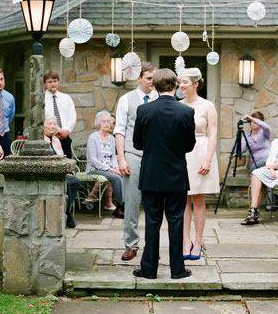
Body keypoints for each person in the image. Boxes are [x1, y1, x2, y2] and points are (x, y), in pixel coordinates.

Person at [132, 68, 196, 280]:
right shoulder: (186, 112)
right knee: (176, 221)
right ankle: (177, 269)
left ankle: (149, 269)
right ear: (176, 85)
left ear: (154, 86)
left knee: (152, 221)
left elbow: (137, 143)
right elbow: (189, 145)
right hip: (176, 174)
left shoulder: (144, 110)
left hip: (151, 174)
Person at [114, 62, 158, 262]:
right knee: (132, 202)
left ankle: (152, 247)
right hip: (133, 154)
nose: (152, 82)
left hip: (156, 157)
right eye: (149, 78)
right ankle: (131, 245)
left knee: (154, 204)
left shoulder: (160, 98)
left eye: (154, 78)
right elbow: (120, 130)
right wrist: (121, 158)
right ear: (138, 78)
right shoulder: (126, 100)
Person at [179, 68, 219, 261]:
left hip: (201, 150)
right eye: (180, 82)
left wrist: (208, 159)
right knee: (183, 199)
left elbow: (213, 133)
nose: (181, 85)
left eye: (185, 81)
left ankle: (199, 241)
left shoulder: (207, 105)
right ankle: (185, 241)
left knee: (199, 199)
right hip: (182, 153)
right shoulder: (178, 105)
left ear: (196, 83)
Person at [83, 110, 124, 218]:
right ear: (98, 123)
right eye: (103, 121)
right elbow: (93, 160)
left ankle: (121, 206)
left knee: (123, 175)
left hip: (109, 169)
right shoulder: (93, 137)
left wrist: (116, 168)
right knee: (116, 178)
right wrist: (110, 170)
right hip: (94, 169)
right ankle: (122, 206)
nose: (106, 124)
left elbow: (113, 158)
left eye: (108, 121)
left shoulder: (111, 138)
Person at [44, 117, 79, 228]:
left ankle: (65, 208)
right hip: (47, 173)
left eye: (54, 124)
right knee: (67, 183)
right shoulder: (40, 141)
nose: (53, 126)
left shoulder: (56, 140)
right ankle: (66, 212)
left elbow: (62, 156)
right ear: (43, 126)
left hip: (60, 172)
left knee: (75, 181)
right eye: (50, 124)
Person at [43, 70, 77, 158]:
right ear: (44, 84)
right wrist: (58, 131)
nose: (53, 84)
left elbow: (72, 116)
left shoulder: (66, 98)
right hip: (50, 138)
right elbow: (45, 118)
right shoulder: (42, 100)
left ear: (58, 82)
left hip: (65, 137)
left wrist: (66, 131)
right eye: (49, 82)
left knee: (68, 163)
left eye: (55, 81)